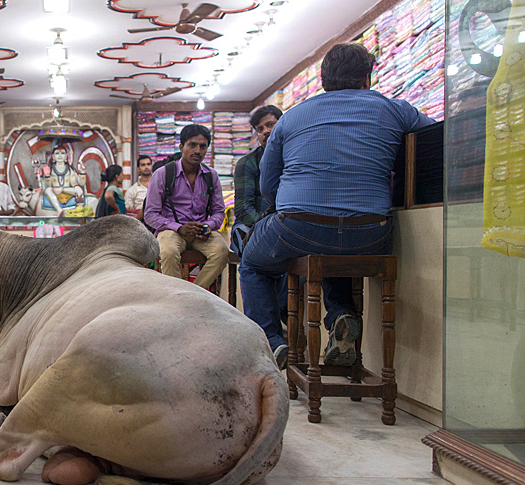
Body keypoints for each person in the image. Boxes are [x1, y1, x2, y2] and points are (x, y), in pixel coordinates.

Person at [239, 43, 434, 370]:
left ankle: (271, 341)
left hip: (300, 225)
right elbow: (437, 140)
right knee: (337, 250)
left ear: (323, 79)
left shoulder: (293, 117)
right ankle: (341, 316)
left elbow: (267, 186)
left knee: (253, 264)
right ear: (366, 78)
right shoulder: (395, 109)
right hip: (371, 232)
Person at [144, 124, 228, 287]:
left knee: (222, 252)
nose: (197, 150)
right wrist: (178, 227)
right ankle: (178, 296)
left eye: (203, 146)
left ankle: (192, 292)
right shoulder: (163, 174)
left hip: (201, 233)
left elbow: (219, 212)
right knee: (168, 251)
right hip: (171, 231)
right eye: (192, 145)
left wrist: (207, 226)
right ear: (182, 147)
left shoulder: (211, 176)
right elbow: (150, 214)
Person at [232, 105, 282, 253]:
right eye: (260, 129)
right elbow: (243, 209)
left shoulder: (293, 158)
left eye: (270, 125)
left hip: (286, 226)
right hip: (254, 226)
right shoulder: (247, 163)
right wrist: (268, 228)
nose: (265, 131)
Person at [41, 144, 85, 215]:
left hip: (68, 191)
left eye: (62, 153)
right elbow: (47, 186)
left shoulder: (70, 170)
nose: (60, 156)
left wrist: (82, 172)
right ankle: (59, 209)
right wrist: (47, 176)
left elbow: (81, 183)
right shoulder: (51, 170)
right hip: (55, 192)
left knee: (79, 190)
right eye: (57, 153)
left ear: (66, 156)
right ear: (53, 156)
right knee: (47, 190)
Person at [125, 155, 153, 220]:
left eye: (148, 164)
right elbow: (129, 211)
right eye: (143, 165)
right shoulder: (132, 190)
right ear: (138, 168)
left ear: (151, 166)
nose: (146, 167)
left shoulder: (159, 185)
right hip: (140, 223)